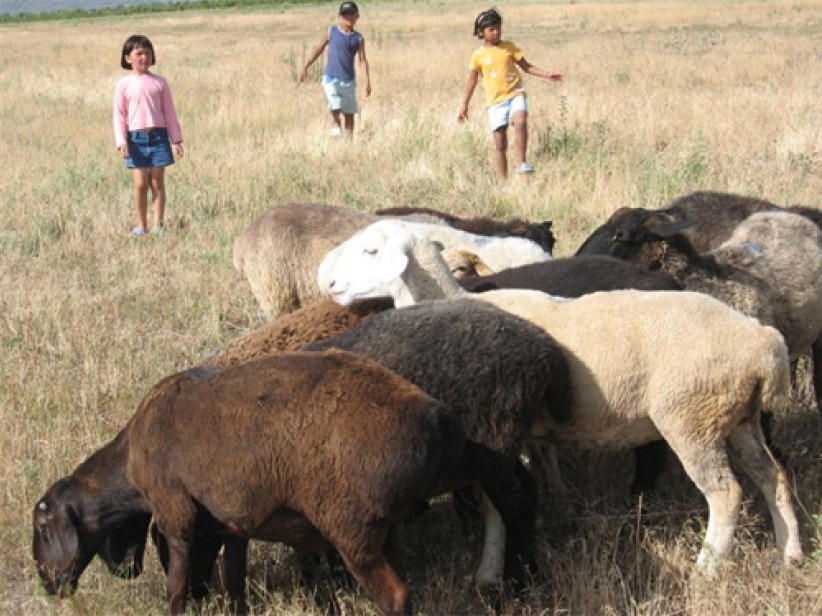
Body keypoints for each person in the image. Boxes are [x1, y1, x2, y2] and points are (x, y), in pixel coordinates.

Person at [458, 8, 563, 185]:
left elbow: (526, 66)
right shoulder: (478, 56)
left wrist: (546, 74)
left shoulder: (509, 47)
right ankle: (503, 183)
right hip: (495, 103)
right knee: (500, 144)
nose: (496, 32)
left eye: (498, 27)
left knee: (520, 121)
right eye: (491, 29)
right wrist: (464, 104)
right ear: (480, 32)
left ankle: (521, 163)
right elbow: (472, 81)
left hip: (515, 93)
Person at [113, 34, 183, 236]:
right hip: (135, 139)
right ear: (128, 58)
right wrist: (121, 141)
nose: (144, 57)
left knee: (157, 182)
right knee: (141, 184)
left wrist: (175, 139)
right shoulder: (123, 84)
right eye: (139, 53)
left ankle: (158, 226)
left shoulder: (160, 82)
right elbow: (119, 115)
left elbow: (169, 112)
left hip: (158, 137)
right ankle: (141, 225)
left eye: (148, 53)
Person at [299, 1, 372, 139]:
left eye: (352, 14)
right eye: (345, 15)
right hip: (331, 78)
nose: (349, 18)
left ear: (357, 16)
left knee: (349, 113)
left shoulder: (358, 38)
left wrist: (366, 81)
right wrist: (305, 66)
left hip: (348, 80)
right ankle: (335, 123)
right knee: (334, 104)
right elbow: (317, 49)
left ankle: (348, 142)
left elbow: (362, 60)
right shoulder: (331, 32)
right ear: (339, 17)